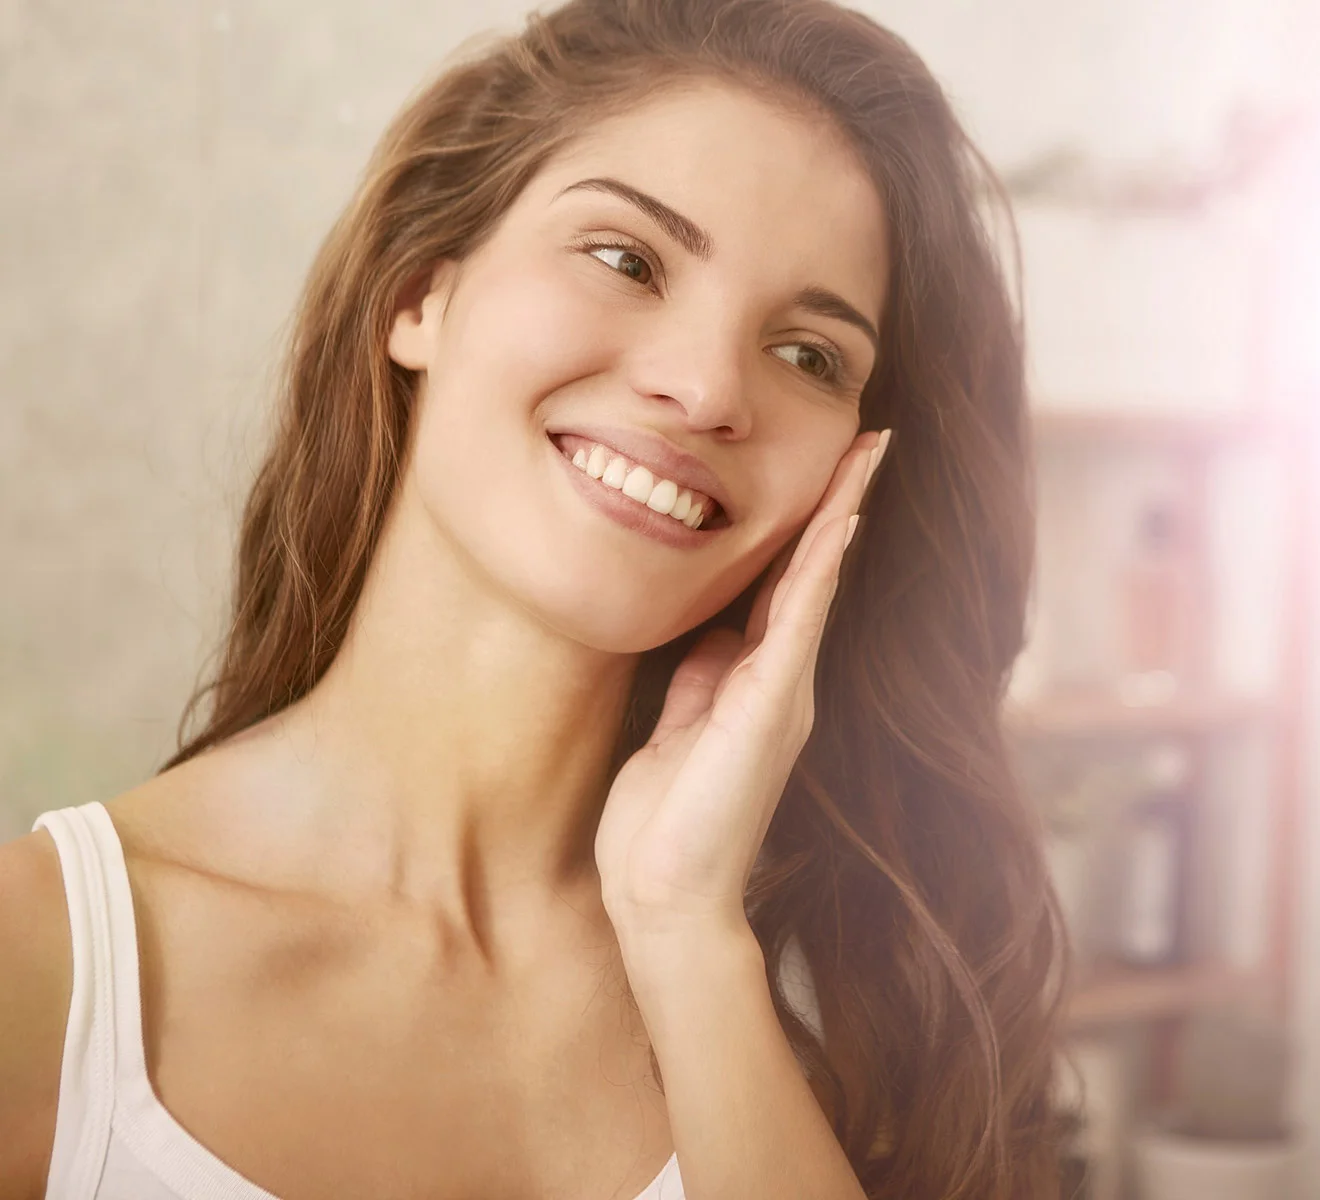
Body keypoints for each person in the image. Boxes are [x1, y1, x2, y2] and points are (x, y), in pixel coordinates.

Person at [0, 0, 1068, 1196]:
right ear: (421, 294)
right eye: (627, 259)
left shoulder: (830, 1027)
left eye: (810, 353)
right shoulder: (39, 966)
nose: (708, 385)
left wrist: (680, 930)